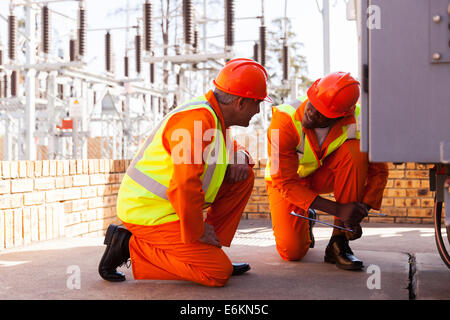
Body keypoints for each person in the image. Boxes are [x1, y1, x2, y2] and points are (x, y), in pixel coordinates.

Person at [98, 58, 272, 286]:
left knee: (244, 175)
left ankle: (209, 250)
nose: (258, 111)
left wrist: (241, 156)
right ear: (240, 103)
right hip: (148, 212)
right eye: (257, 103)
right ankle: (130, 244)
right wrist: (197, 229)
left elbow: (229, 147)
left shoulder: (216, 118)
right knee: (217, 273)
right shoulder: (195, 121)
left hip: (171, 207)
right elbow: (184, 183)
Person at [264, 72, 388, 270]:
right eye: (313, 104)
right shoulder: (284, 121)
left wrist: (361, 210)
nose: (312, 112)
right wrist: (340, 209)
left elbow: (379, 172)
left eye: (322, 113)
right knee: (292, 252)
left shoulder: (359, 121)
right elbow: (284, 182)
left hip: (324, 176)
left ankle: (338, 242)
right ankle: (309, 216)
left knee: (355, 151)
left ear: (342, 115)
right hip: (289, 184)